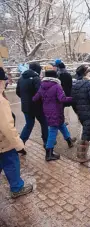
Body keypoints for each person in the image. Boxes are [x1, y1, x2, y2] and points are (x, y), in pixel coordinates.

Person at [0, 67, 33, 198]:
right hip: (3, 142)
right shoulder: (1, 102)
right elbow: (7, 127)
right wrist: (19, 145)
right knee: (11, 163)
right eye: (4, 81)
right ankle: (17, 188)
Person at [33, 70, 75, 161]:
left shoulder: (42, 86)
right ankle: (49, 154)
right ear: (55, 77)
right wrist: (73, 98)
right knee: (53, 131)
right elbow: (62, 98)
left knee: (61, 125)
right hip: (56, 110)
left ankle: (69, 140)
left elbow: (35, 98)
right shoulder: (57, 86)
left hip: (47, 111)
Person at [16, 63, 48, 147]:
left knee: (29, 124)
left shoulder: (21, 78)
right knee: (44, 122)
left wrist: (25, 99)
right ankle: (46, 142)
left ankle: (21, 143)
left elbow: (18, 92)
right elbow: (40, 93)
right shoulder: (36, 78)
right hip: (37, 107)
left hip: (26, 107)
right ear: (38, 70)